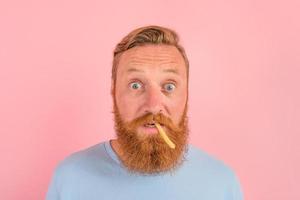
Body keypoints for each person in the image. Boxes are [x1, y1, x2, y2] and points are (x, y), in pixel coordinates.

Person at [46, 25, 243, 200]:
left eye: (169, 86)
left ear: (187, 95)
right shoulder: (70, 178)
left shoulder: (221, 184)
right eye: (135, 85)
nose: (153, 105)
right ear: (114, 92)